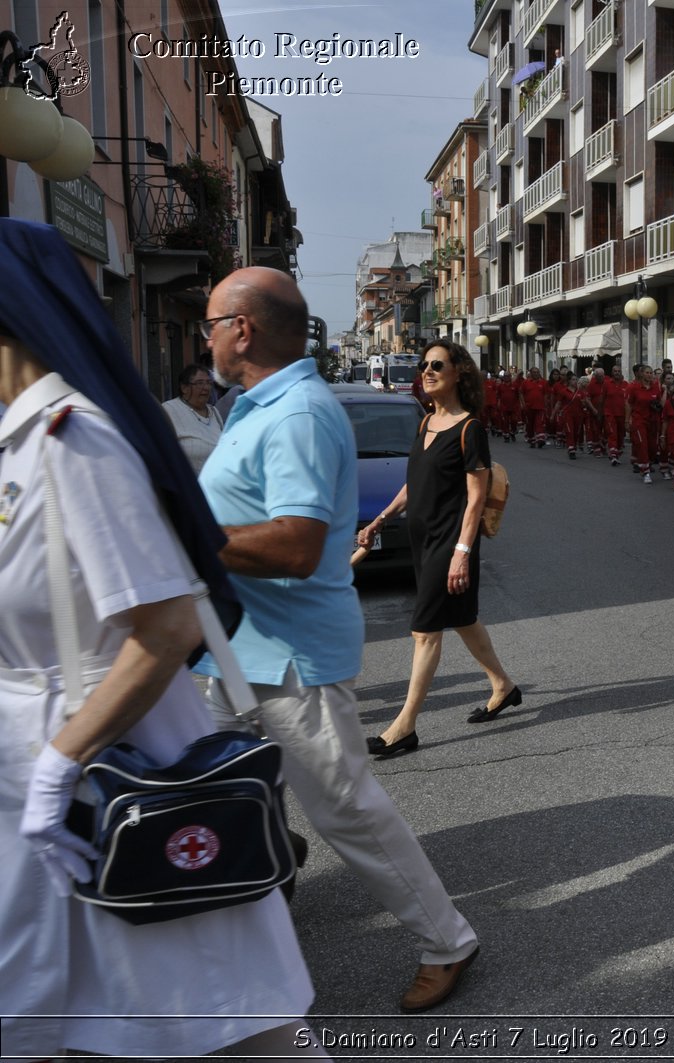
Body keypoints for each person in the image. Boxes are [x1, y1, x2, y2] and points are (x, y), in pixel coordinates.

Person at [0, 219, 322, 1059]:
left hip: (107, 761)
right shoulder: (19, 443)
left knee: (215, 1015)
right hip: (39, 762)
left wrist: (57, 766)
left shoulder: (74, 443)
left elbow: (168, 624)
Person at [195, 267, 480, 1011]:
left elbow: (294, 544)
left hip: (288, 655)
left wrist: (187, 535)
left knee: (348, 808)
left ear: (244, 329)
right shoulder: (254, 405)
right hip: (236, 646)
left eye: (210, 324)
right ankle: (269, 857)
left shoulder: (295, 414)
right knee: (210, 784)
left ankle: (447, 939)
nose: (207, 337)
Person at [360, 341, 521, 754]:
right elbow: (416, 483)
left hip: (450, 544)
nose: (426, 371)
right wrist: (381, 519)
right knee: (463, 617)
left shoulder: (470, 429)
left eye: (437, 365)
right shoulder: (425, 423)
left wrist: (462, 553)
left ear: (458, 373)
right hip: (422, 539)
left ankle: (404, 726)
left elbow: (475, 498)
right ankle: (503, 686)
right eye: (423, 365)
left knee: (425, 631)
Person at [162, 361, 226, 475]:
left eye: (209, 383)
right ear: (184, 388)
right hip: (187, 485)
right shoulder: (170, 409)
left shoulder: (214, 411)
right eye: (199, 383)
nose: (206, 388)